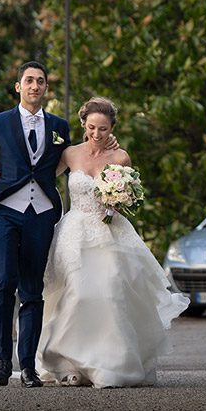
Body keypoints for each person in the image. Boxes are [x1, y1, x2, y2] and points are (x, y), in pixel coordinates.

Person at [0, 61, 116, 388]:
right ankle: (2, 361)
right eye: (29, 81)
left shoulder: (59, 126)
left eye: (41, 81)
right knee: (3, 282)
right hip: (5, 212)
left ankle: (28, 367)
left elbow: (80, 156)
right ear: (18, 86)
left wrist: (108, 146)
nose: (35, 86)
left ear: (46, 87)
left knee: (33, 291)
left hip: (42, 214)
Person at [35, 96, 189, 388]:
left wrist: (117, 200)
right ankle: (67, 363)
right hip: (75, 233)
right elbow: (41, 177)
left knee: (111, 293)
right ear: (83, 124)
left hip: (110, 233)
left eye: (103, 129)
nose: (97, 134)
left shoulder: (121, 158)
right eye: (92, 127)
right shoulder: (70, 153)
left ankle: (111, 364)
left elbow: (132, 197)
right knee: (76, 294)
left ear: (112, 128)